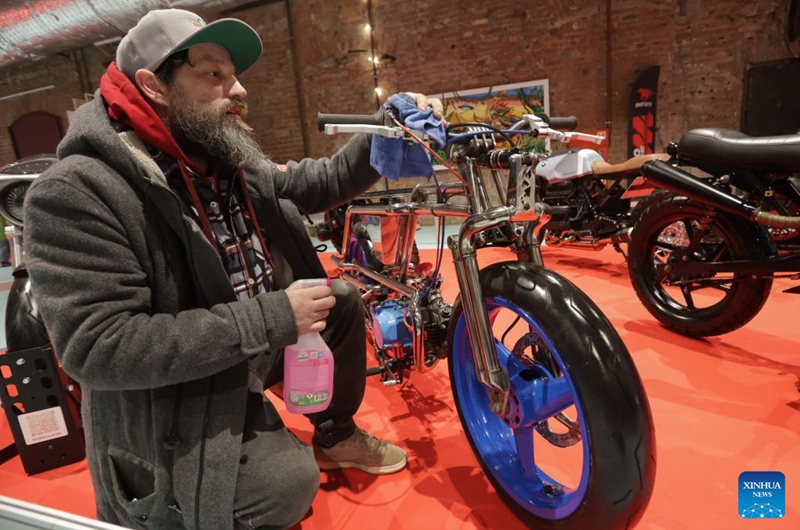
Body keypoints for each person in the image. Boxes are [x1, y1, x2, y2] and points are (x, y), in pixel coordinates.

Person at [23, 9, 443, 530]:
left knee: (341, 301)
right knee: (287, 487)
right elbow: (98, 347)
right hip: (173, 391)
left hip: (244, 346)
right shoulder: (76, 191)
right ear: (155, 86)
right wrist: (269, 317)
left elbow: (319, 180)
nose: (238, 89)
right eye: (214, 74)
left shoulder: (220, 159)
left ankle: (334, 434)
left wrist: (385, 129)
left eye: (234, 75)